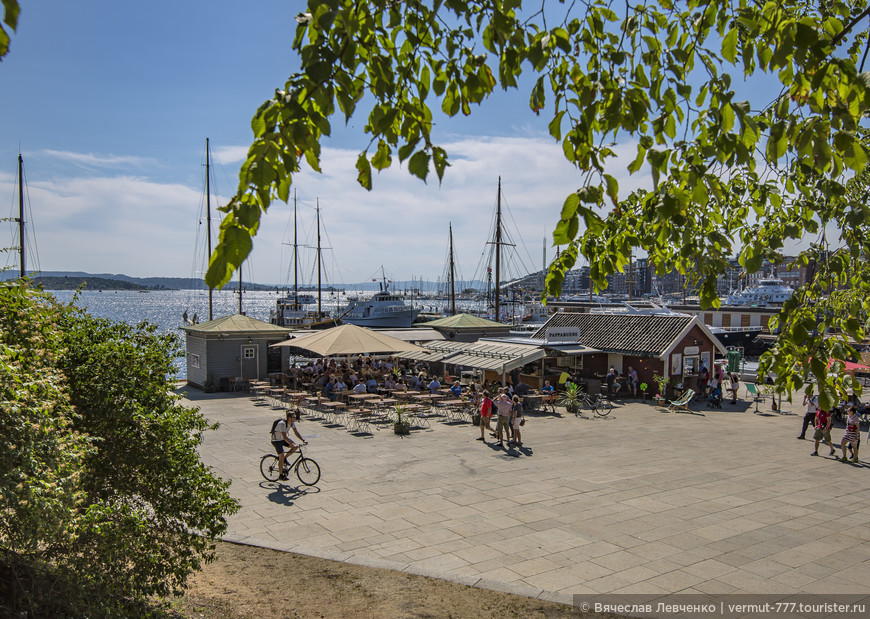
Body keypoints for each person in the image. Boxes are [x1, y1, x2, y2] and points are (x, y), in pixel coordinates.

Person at [271, 410, 306, 481]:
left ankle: (285, 458)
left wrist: (303, 440)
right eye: (293, 417)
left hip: (282, 439)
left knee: (295, 446)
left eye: (295, 417)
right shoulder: (282, 424)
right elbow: (284, 436)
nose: (295, 418)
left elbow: (296, 432)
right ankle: (281, 475)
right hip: (276, 441)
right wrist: (290, 444)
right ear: (289, 418)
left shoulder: (292, 423)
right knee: (281, 457)